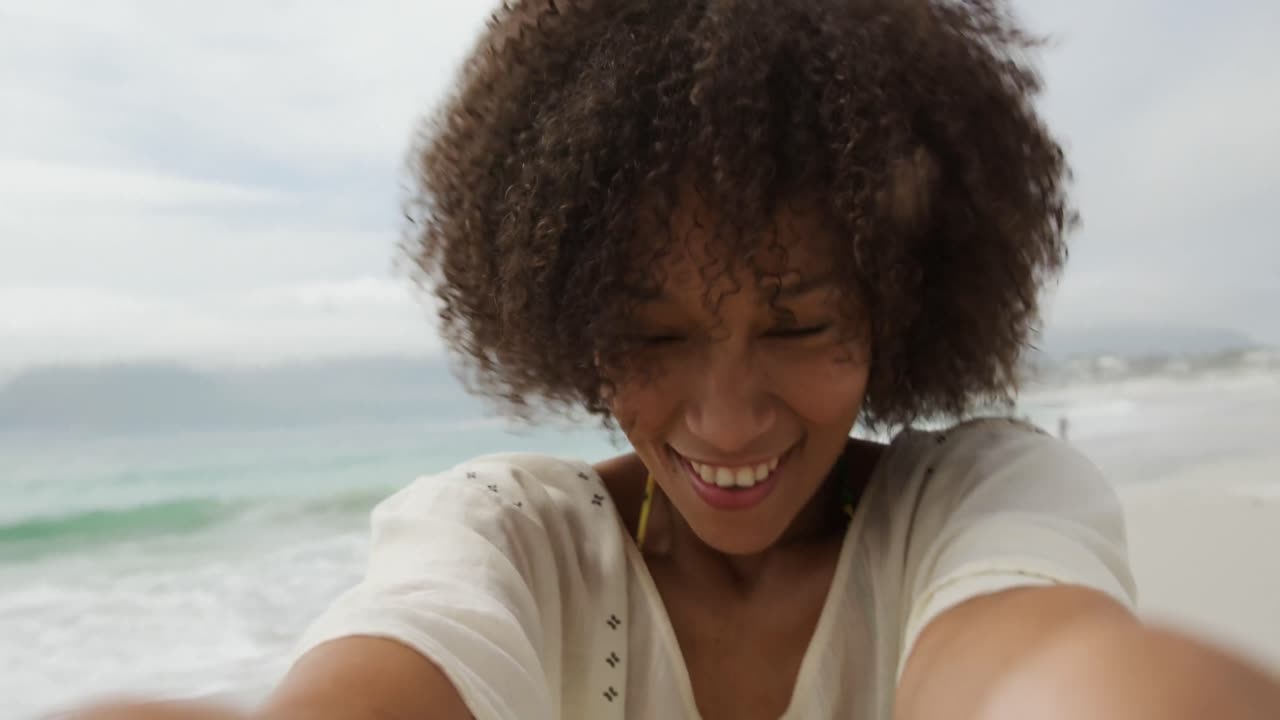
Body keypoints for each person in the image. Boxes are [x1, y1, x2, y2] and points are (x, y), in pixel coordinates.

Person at [71, 0, 1280, 718]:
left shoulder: (976, 506)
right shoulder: (506, 542)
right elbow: (398, 664)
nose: (726, 417)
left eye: (796, 326)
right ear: (566, 321)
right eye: (652, 336)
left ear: (899, 307)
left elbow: (1043, 670)